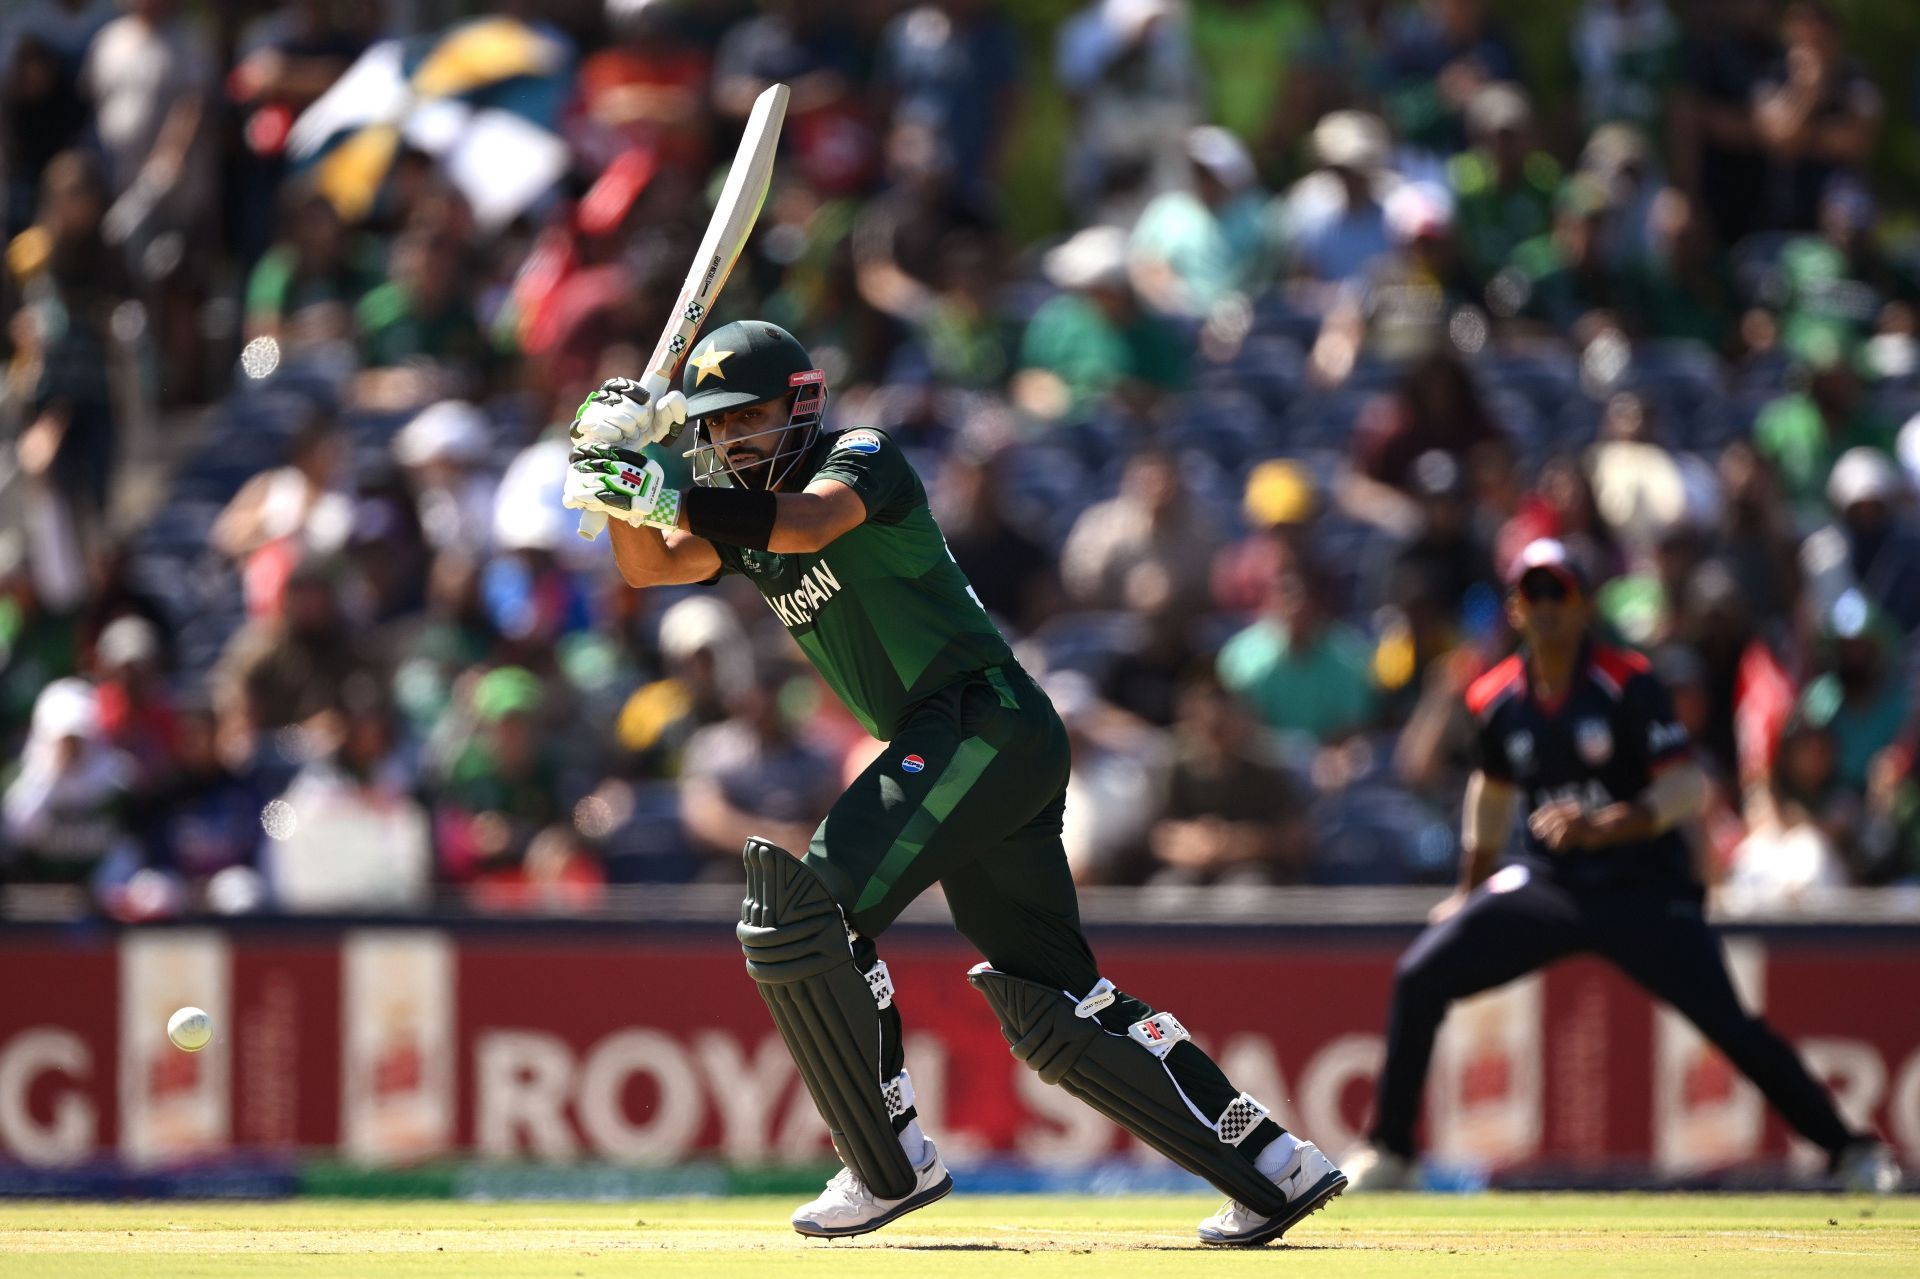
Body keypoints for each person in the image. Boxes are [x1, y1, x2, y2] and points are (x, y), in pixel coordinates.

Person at [562, 320, 1345, 1244]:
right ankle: (1272, 1164)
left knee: (801, 913)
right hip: (976, 745)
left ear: (801, 404)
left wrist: (664, 489)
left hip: (979, 716)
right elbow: (650, 563)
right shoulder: (739, 517)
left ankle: (887, 1163)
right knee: (1053, 1002)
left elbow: (807, 522)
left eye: (753, 418)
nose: (734, 441)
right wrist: (605, 466)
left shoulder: (860, 458)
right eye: (718, 428)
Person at [1341, 538, 1901, 1194]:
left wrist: (1605, 824)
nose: (1546, 607)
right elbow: (1490, 795)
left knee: (1728, 1025)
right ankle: (1392, 1151)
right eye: (1533, 594)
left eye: (1559, 593)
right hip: (1553, 885)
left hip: (1644, 885)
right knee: (1420, 974)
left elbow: (1683, 788)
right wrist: (1468, 890)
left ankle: (1850, 1150)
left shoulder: (1627, 681)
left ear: (1582, 606)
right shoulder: (1495, 697)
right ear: (1516, 609)